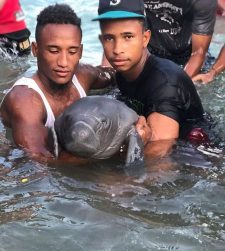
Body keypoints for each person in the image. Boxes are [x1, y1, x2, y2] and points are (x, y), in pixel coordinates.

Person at [93, 0, 211, 158]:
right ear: (101, 41)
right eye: (109, 38)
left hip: (196, 152)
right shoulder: (123, 71)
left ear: (145, 38)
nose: (117, 49)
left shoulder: (165, 82)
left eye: (128, 37)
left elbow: (158, 166)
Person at [0, 4, 114, 162]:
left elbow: (116, 76)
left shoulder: (83, 75)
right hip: (13, 158)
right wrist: (114, 152)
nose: (64, 62)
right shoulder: (24, 100)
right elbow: (41, 158)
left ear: (80, 52)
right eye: (54, 51)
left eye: (72, 51)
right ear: (35, 49)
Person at [143, 0, 217, 78]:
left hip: (187, 56)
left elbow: (198, 52)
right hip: (149, 52)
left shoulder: (202, 2)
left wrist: (179, 84)